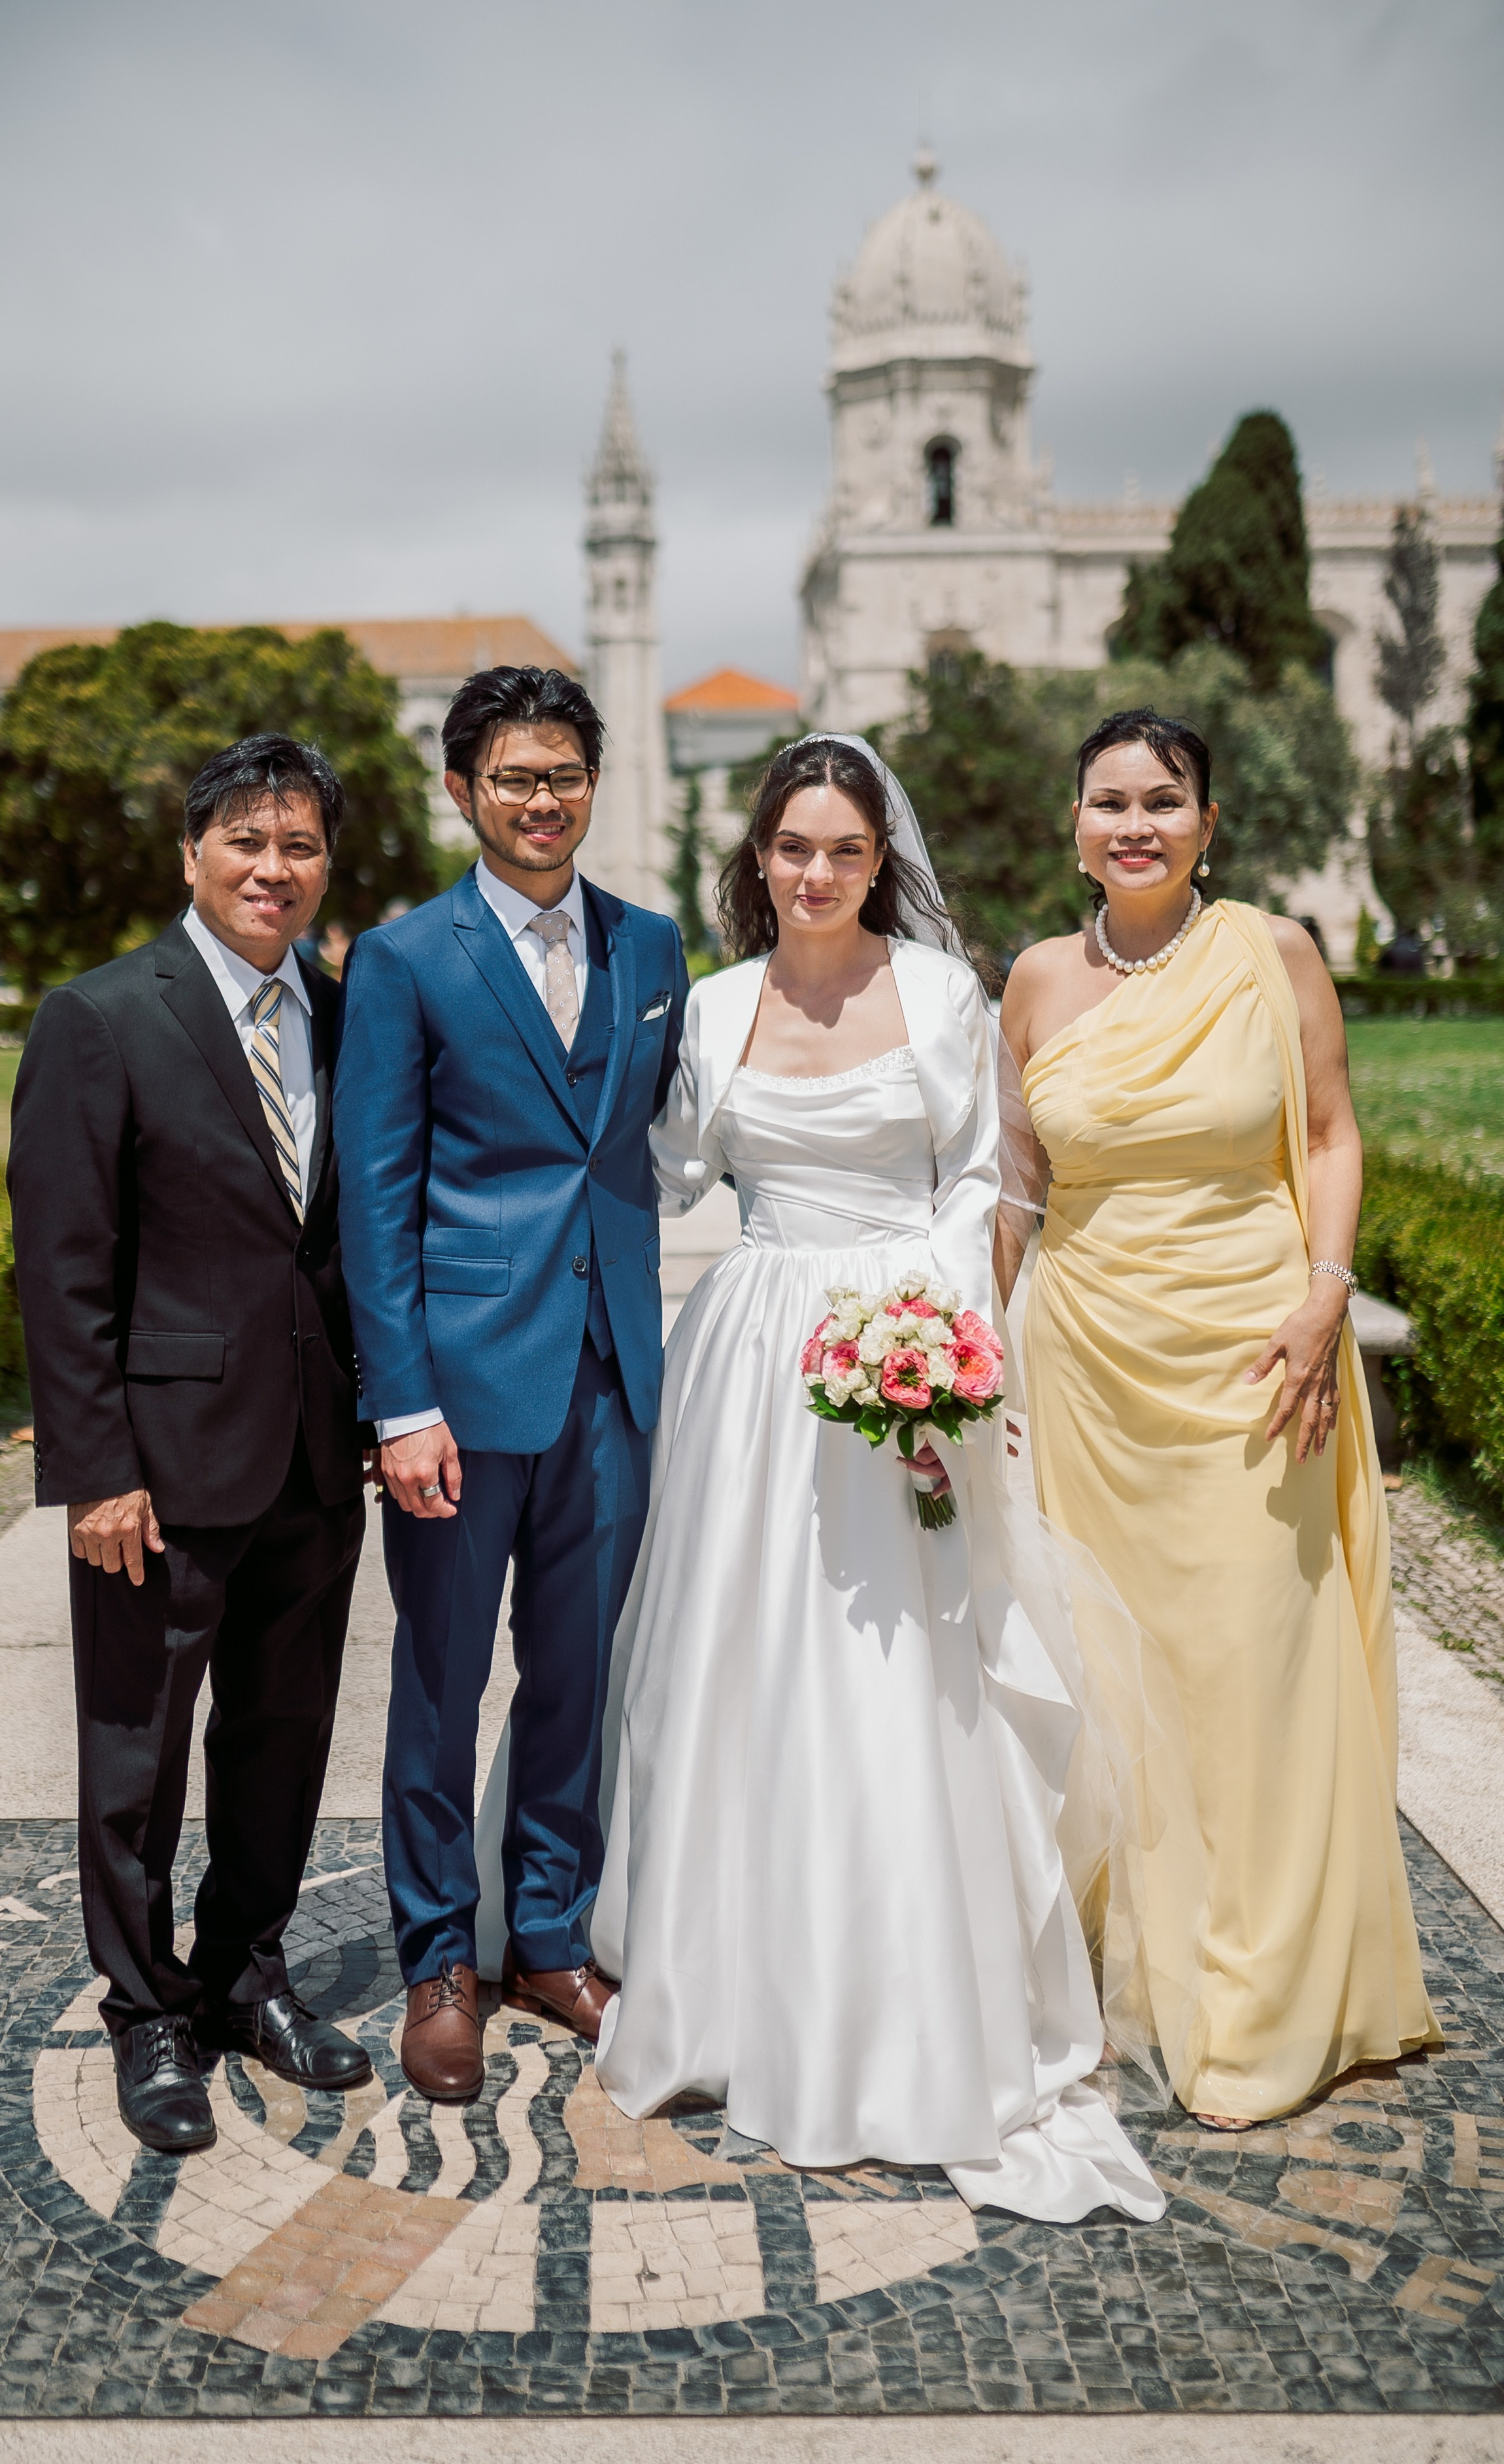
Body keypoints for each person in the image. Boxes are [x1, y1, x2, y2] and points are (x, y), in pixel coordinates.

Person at [583, 733, 1163, 2220]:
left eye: (843, 849)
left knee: (905, 1665)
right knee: (749, 1658)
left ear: (877, 858)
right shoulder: (709, 1009)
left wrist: (950, 1346)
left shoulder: (937, 993)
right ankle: (739, 1973)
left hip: (905, 1348)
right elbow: (661, 1174)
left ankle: (914, 1974)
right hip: (755, 1359)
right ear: (757, 856)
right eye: (793, 847)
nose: (817, 871)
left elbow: (978, 1176)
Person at [997, 706, 1440, 2129]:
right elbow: (1014, 1183)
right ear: (1073, 824)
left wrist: (1325, 1290)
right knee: (1114, 1668)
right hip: (1086, 1359)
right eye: (1107, 801)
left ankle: (1256, 1995)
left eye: (1162, 801)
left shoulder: (1274, 952)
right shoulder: (1033, 983)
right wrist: (973, 1356)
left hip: (1261, 1354)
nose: (1133, 824)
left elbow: (1323, 1130)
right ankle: (1133, 1962)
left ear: (1207, 823)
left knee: (1252, 1657)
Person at [8, 735, 375, 2155]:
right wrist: (93, 1467)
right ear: (191, 855)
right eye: (247, 843)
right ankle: (144, 2008)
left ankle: (244, 1973)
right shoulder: (99, 1017)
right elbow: (61, 1262)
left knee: (283, 1738)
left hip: (310, 1455)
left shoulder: (346, 1018)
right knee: (135, 1750)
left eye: (299, 847)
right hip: (152, 1467)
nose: (273, 869)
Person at [333, 665, 688, 2105]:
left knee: (576, 1676)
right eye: (513, 777)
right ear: (462, 790)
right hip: (462, 1397)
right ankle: (436, 1957)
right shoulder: (408, 959)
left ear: (592, 783)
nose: (542, 800)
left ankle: (547, 1930)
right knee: (437, 1680)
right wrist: (400, 1402)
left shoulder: (652, 947)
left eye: (563, 774)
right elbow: (375, 1192)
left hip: (611, 1380)